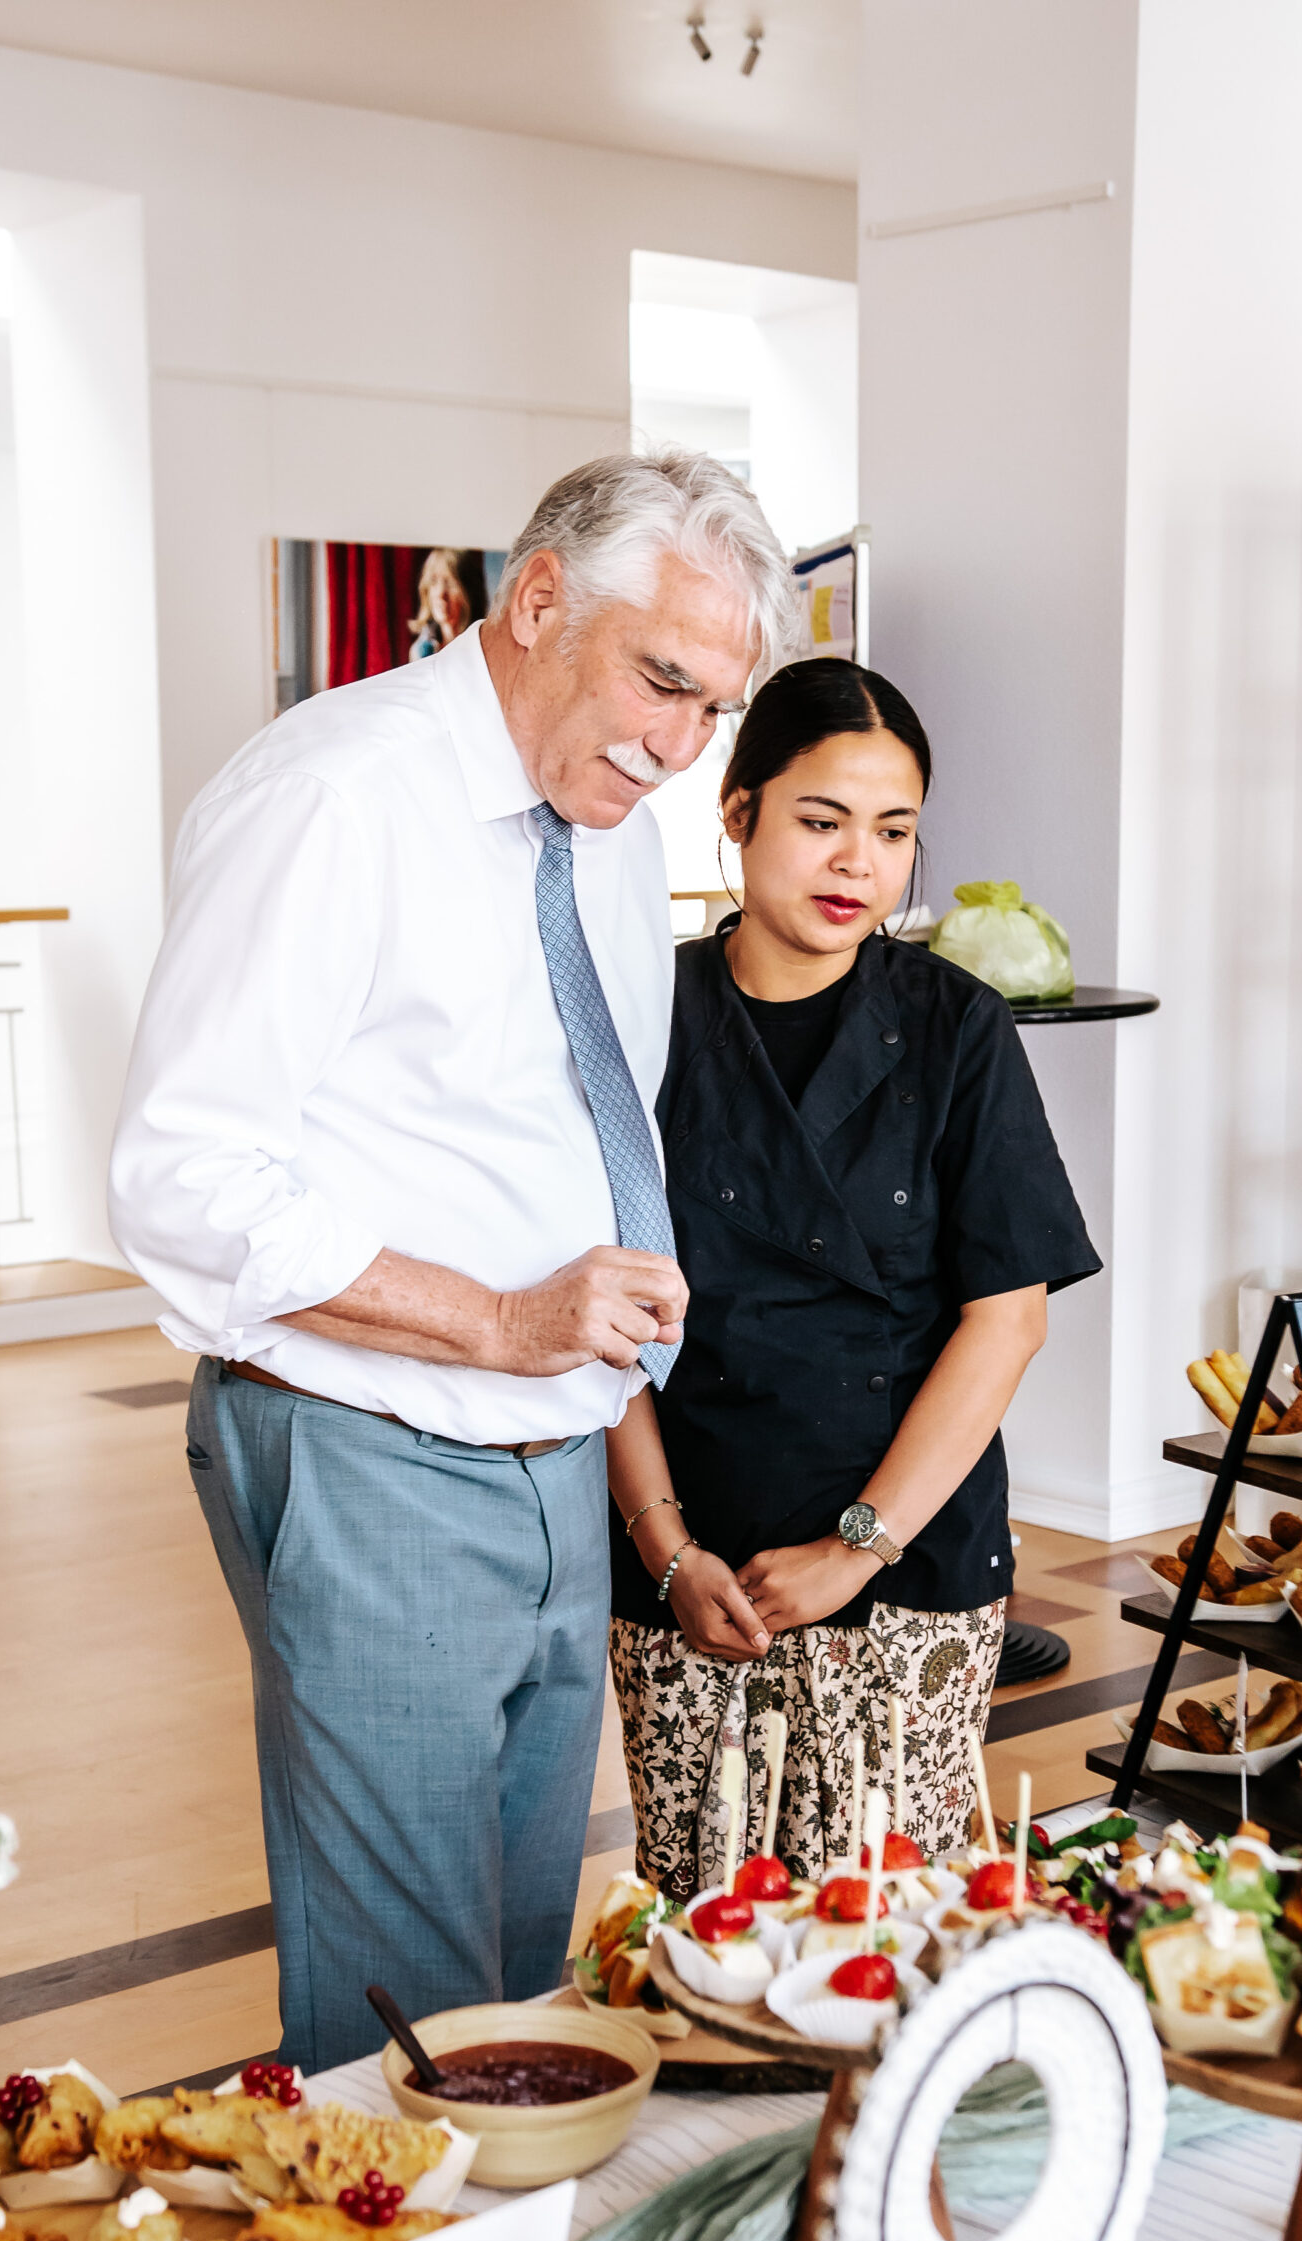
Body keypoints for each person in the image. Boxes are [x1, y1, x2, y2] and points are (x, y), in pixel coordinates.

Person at [108, 451, 799, 2070]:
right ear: (540, 599)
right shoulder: (334, 797)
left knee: (512, 1984)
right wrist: (497, 1319)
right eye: (662, 683)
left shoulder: (609, 822)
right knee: (404, 2017)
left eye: (715, 708)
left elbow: (571, 1125)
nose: (680, 747)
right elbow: (186, 1176)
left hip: (554, 1454)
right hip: (373, 1443)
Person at [605, 659, 1100, 1897]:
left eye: (893, 834)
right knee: (700, 1926)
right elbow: (600, 1313)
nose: (856, 865)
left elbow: (1009, 1318)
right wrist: (666, 1549)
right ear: (738, 813)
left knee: (895, 1923)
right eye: (821, 822)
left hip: (909, 1567)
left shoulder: (956, 1027)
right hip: (688, 1560)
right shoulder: (638, 1016)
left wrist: (856, 1547)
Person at [407, 547, 472, 659]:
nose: (441, 594)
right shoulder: (422, 651)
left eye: (450, 583)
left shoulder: (480, 646)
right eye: (433, 582)